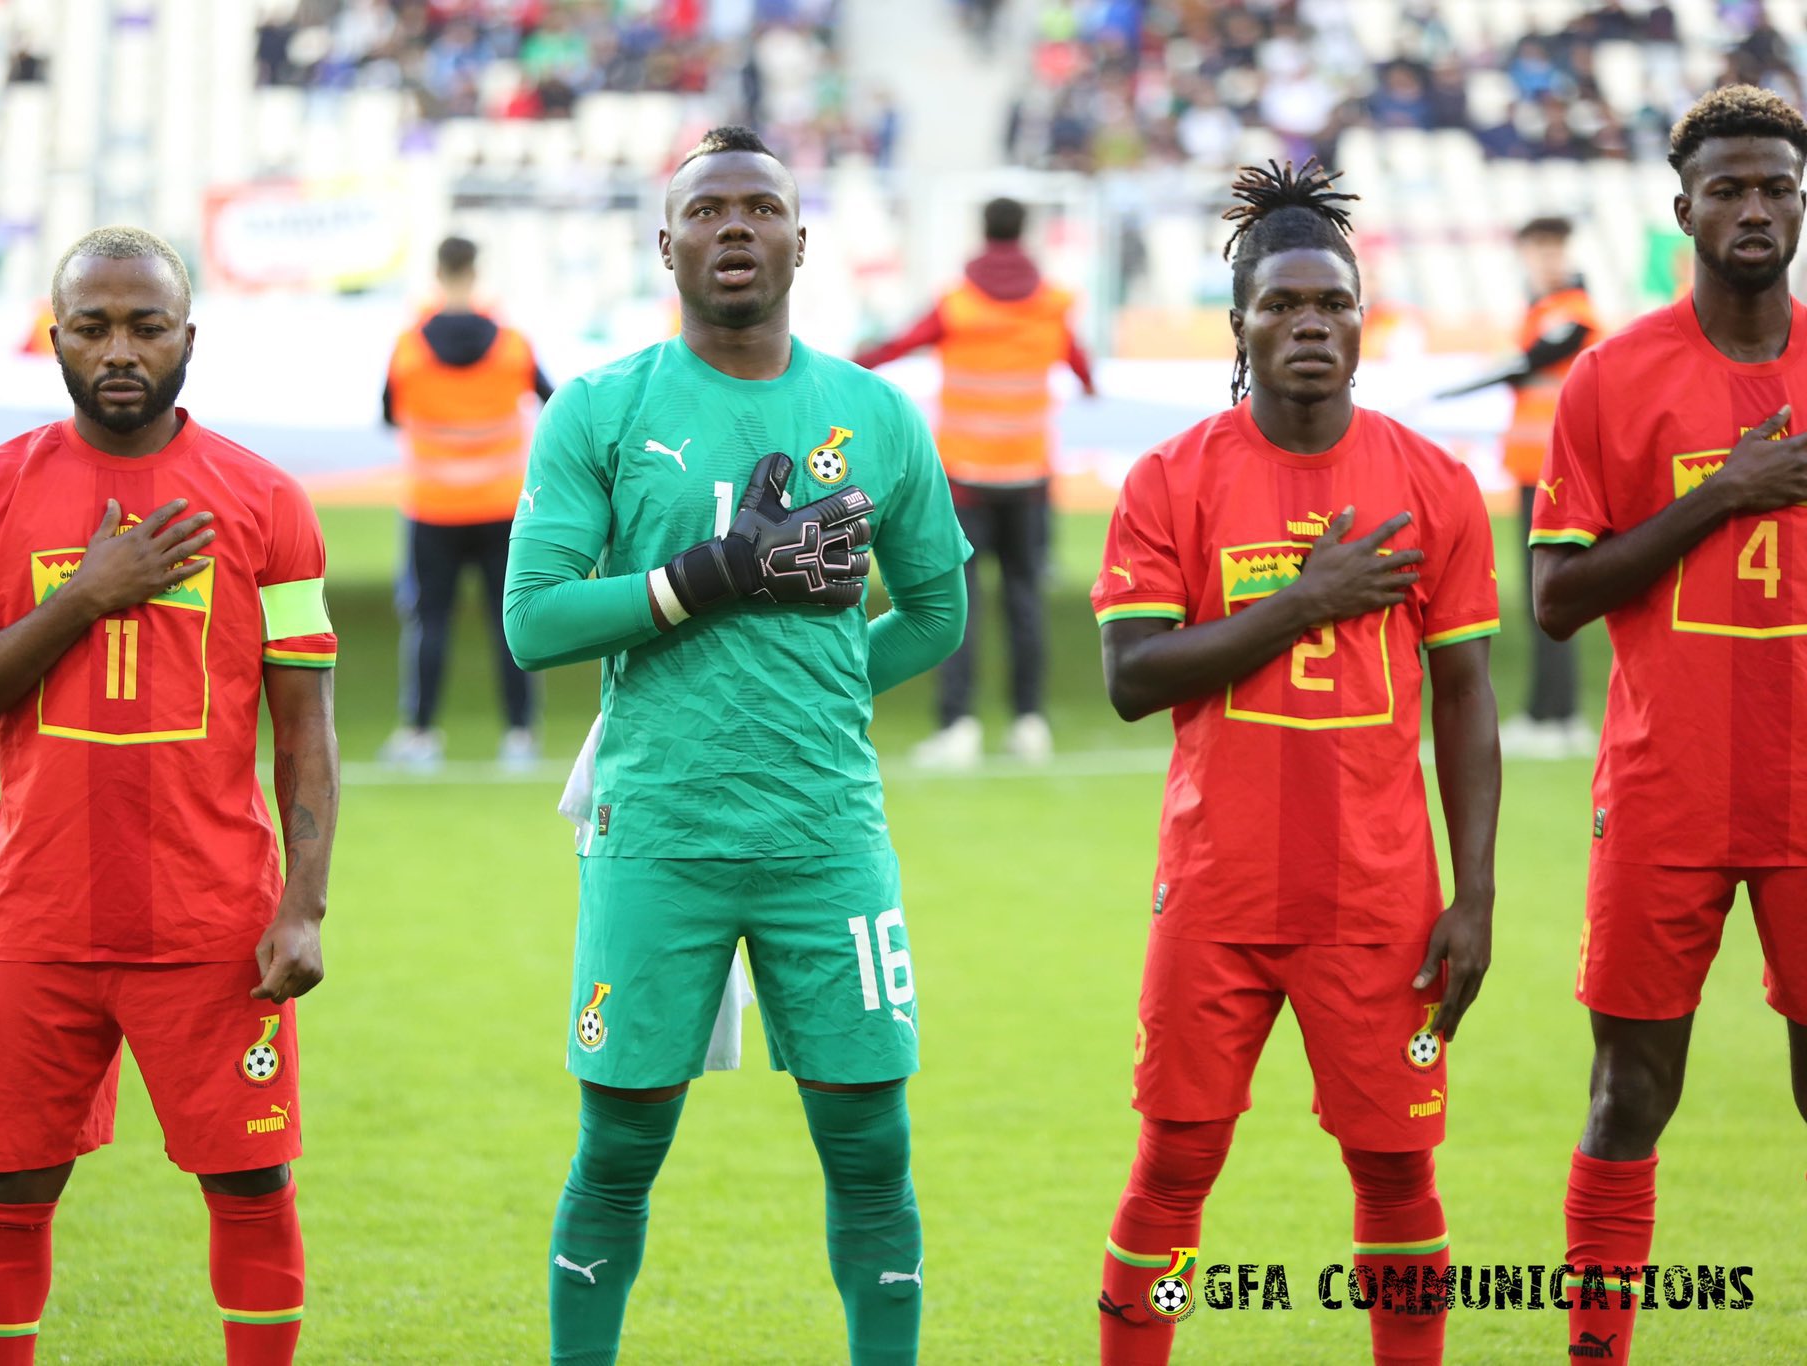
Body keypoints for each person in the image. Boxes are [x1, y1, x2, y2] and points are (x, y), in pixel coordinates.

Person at [503, 125, 970, 1366]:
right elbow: (533, 619)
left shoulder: (872, 413)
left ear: (800, 241)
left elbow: (936, 610)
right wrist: (708, 577)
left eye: (760, 208)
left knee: (872, 1147)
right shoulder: (601, 409)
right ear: (665, 243)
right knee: (619, 1146)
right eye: (705, 213)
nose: (733, 230)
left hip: (826, 837)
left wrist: (823, 684)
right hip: (658, 832)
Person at [0, 226, 339, 1366]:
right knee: (9, 1183)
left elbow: (305, 728)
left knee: (252, 1181)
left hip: (212, 925)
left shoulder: (265, 500)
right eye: (92, 325)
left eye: (146, 325)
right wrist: (87, 595)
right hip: (44, 917)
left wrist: (304, 903)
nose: (119, 349)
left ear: (188, 336)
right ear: (55, 338)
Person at [1090, 161, 1500, 1366]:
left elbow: (1466, 698)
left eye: (1331, 304)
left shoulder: (1432, 483)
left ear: (1362, 321)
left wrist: (1471, 893)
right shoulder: (1171, 478)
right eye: (1280, 305)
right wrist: (1305, 599)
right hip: (1216, 893)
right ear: (1237, 325)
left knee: (1394, 1170)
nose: (1308, 325)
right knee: (1173, 1160)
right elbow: (1131, 679)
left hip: (1377, 900)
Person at [1529, 85, 1807, 1364]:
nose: (1753, 209)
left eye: (1775, 188)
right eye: (1729, 189)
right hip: (1665, 792)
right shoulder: (1611, 378)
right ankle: (1598, 1346)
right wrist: (1727, 491)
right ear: (1680, 206)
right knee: (1628, 1091)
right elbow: (1555, 599)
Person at [856, 195, 1095, 767]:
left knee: (955, 603)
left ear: (981, 230)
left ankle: (958, 725)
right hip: (1028, 477)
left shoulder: (958, 305)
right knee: (1024, 598)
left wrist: (851, 365)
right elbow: (1083, 369)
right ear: (1025, 231)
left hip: (963, 480)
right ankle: (1029, 721)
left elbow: (895, 347)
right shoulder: (1052, 304)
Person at [379, 235, 553, 771]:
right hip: (503, 506)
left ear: (438, 272)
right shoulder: (512, 346)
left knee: (430, 621)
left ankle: (420, 735)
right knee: (511, 623)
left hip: (433, 508)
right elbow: (554, 403)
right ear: (476, 272)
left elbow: (388, 414)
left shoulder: (409, 347)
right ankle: (520, 739)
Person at [1442, 215, 1601, 758]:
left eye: (1552, 249)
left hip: (1558, 475)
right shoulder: (1538, 311)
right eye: (1536, 250)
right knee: (1542, 597)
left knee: (1551, 594)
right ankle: (1548, 712)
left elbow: (1530, 363)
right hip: (1534, 469)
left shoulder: (1571, 311)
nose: (1545, 260)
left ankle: (1556, 715)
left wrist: (1463, 386)